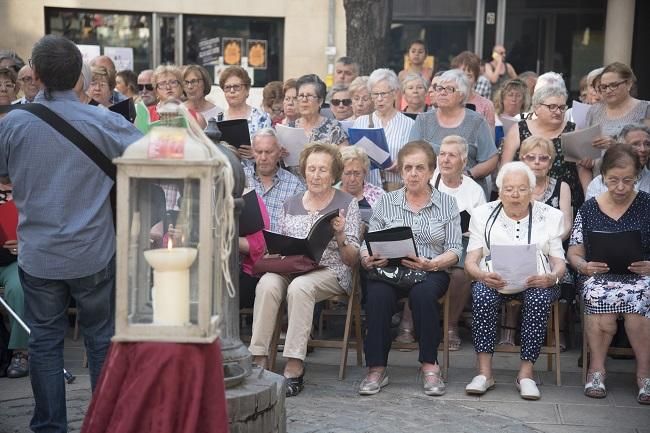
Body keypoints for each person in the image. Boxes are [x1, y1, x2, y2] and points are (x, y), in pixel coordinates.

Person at [0, 35, 142, 433]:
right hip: (92, 252)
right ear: (80, 76)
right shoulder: (106, 121)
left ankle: (49, 425)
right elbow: (153, 157)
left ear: (38, 76)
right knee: (100, 339)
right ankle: (105, 421)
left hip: (39, 254)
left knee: (44, 342)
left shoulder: (13, 123)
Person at [249, 143, 362, 397]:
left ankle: (294, 364)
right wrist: (277, 248)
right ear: (304, 171)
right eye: (311, 169)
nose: (316, 175)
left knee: (301, 288)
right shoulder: (290, 203)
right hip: (293, 265)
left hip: (331, 270)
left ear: (334, 175)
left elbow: (352, 259)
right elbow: (277, 244)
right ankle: (258, 358)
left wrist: (341, 232)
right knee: (267, 283)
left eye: (323, 170)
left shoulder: (347, 203)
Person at [358, 140, 462, 397]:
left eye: (419, 168)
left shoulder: (447, 203)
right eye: (408, 168)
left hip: (430, 269)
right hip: (390, 269)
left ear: (430, 170)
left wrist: (433, 263)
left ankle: (430, 365)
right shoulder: (386, 201)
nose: (413, 173)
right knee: (378, 297)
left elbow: (455, 249)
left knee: (423, 295)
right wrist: (368, 258)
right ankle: (376, 368)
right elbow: (368, 241)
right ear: (401, 171)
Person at [464, 162, 566, 400]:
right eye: (509, 189)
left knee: (539, 298)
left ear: (532, 190)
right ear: (499, 191)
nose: (515, 195)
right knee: (481, 294)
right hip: (495, 280)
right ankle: (484, 373)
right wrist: (481, 275)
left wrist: (552, 277)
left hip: (537, 281)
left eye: (522, 189)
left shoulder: (550, 216)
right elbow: (471, 261)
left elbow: (559, 261)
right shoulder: (482, 214)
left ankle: (526, 374)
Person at [567, 145, 650, 404]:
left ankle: (645, 374)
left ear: (637, 176)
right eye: (613, 180)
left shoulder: (647, 204)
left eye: (628, 180)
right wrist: (583, 267)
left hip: (641, 277)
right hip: (598, 276)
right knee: (594, 292)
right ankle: (597, 370)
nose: (621, 187)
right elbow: (574, 252)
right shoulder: (589, 209)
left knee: (643, 295)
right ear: (602, 176)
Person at [502, 136, 573, 350]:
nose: (537, 162)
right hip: (515, 247)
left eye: (543, 158)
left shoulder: (562, 187)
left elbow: (566, 226)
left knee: (566, 276)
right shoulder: (512, 186)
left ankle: (555, 334)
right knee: (508, 268)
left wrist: (543, 245)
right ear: (522, 160)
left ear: (551, 163)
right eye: (531, 157)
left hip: (550, 251)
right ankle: (508, 331)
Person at [431, 135, 486, 350]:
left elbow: (480, 229)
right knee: (415, 263)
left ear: (463, 162)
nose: (445, 160)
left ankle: (451, 325)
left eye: (451, 155)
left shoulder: (474, 190)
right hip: (429, 238)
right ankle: (409, 323)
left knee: (462, 273)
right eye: (442, 154)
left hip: (463, 240)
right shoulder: (429, 181)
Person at [409, 69, 498, 197]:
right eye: (439, 88)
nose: (442, 93)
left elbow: (491, 159)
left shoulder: (477, 122)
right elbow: (410, 155)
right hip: (428, 191)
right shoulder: (423, 120)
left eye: (449, 89)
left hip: (466, 193)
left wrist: (470, 174)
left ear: (462, 95)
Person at [500, 85, 584, 209]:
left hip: (565, 200)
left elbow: (581, 168)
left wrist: (589, 198)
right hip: (524, 199)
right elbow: (505, 168)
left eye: (562, 107)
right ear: (537, 108)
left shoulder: (571, 130)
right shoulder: (518, 129)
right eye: (552, 107)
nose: (558, 111)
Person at [353, 68, 414, 190]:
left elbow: (416, 156)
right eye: (375, 94)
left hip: (397, 188)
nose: (379, 99)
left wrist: (403, 162)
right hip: (367, 190)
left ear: (395, 93)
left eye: (383, 94)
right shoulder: (361, 122)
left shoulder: (410, 124)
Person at [243, 128, 305, 232]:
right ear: (253, 152)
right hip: (244, 246)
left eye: (269, 152)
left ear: (279, 152)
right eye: (259, 152)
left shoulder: (294, 186)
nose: (263, 157)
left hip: (279, 247)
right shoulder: (241, 177)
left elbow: (299, 226)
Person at [0, 181, 29, 378]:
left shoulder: (26, 187)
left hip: (13, 261)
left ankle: (21, 351)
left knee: (18, 286)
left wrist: (23, 244)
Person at [587, 63, 650, 151]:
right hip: (598, 164)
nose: (608, 90)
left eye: (613, 85)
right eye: (604, 87)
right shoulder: (594, 110)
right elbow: (588, 145)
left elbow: (646, 149)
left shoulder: (646, 109)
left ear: (628, 84)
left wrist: (617, 146)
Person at [586, 124, 650, 200]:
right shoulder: (598, 184)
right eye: (635, 144)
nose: (643, 149)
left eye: (647, 144)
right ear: (622, 147)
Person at [219, 65, 271, 158]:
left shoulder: (261, 118)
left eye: (236, 87)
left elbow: (272, 151)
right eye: (227, 87)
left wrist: (256, 153)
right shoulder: (217, 120)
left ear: (247, 90)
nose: (232, 91)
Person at [288, 74, 348, 146]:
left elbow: (345, 155)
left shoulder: (334, 128)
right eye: (301, 95)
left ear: (320, 101)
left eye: (309, 96)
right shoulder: (289, 128)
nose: (304, 100)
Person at [451, 51, 496, 131]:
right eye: (460, 75)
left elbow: (489, 139)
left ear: (475, 79)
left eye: (469, 76)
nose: (464, 79)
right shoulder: (447, 99)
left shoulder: (486, 105)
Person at [338, 146, 384, 212]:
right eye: (347, 173)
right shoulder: (330, 194)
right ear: (340, 173)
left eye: (357, 173)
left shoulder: (378, 195)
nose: (352, 179)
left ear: (364, 173)